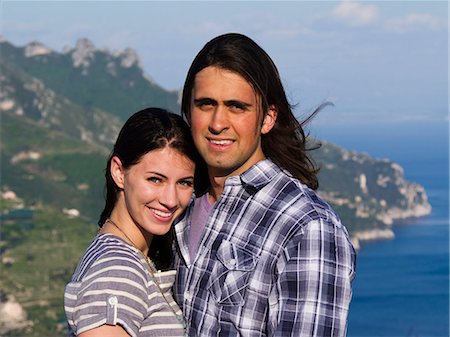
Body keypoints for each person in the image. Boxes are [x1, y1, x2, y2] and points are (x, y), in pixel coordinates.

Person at [173, 33, 356, 337]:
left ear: (268, 118)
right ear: (189, 111)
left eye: (236, 107)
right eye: (206, 104)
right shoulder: (178, 205)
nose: (218, 122)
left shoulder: (306, 226)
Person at [64, 107, 202, 337]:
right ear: (119, 172)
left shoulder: (124, 255)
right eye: (155, 179)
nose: (170, 200)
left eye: (184, 183)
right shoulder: (118, 269)